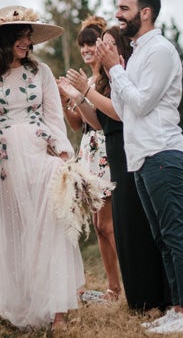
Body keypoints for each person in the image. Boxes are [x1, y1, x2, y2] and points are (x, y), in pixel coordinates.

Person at [95, 0, 183, 335]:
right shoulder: (138, 53)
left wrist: (114, 69)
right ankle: (177, 309)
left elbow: (141, 102)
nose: (117, 14)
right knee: (161, 238)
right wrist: (117, 70)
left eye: (124, 8)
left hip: (162, 150)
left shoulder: (159, 50)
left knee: (175, 234)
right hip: (141, 156)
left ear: (145, 12)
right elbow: (126, 112)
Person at [0, 5, 85, 330]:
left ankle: (57, 311)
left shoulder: (41, 71)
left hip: (39, 153)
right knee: (15, 231)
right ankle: (24, 306)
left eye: (29, 33)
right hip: (2, 159)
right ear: (4, 38)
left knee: (52, 224)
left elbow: (53, 116)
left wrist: (63, 153)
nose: (27, 39)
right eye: (20, 34)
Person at [60, 25, 170, 312]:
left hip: (122, 149)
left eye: (101, 44)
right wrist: (74, 96)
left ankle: (142, 289)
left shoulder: (121, 76)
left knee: (123, 225)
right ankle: (125, 290)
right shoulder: (101, 80)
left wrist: (84, 91)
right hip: (103, 147)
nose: (94, 50)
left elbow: (118, 113)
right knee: (110, 225)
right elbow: (91, 123)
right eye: (91, 45)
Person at [56, 16, 121, 303]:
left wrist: (80, 92)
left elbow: (101, 121)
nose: (85, 50)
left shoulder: (105, 79)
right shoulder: (90, 80)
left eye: (91, 43)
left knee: (108, 224)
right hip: (90, 151)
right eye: (82, 45)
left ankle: (129, 283)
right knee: (98, 226)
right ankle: (112, 288)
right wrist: (62, 99)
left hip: (107, 149)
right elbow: (76, 124)